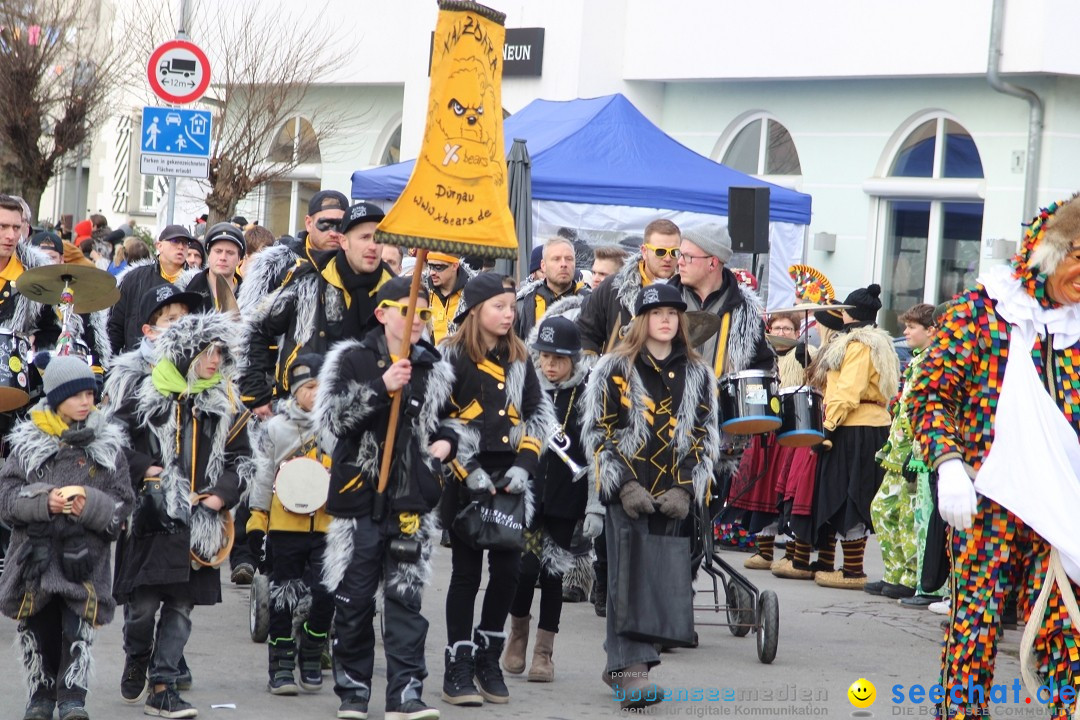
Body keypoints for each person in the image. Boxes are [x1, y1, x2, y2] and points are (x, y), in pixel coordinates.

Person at [907, 196, 1080, 718]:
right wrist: (948, 462)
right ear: (1048, 253)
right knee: (975, 625)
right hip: (990, 502)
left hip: (1058, 507)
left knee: (1063, 629)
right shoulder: (980, 314)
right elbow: (930, 395)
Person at [317, 277, 457, 720]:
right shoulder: (352, 359)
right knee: (354, 602)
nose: (417, 319)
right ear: (382, 313)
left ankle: (407, 694)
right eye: (408, 309)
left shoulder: (433, 366)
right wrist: (382, 386)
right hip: (358, 500)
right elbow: (334, 421)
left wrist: (446, 444)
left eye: (424, 312)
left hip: (410, 500)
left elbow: (450, 420)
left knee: (405, 604)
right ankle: (354, 692)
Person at [110, 313, 256, 719]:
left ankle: (164, 684)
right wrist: (147, 469)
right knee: (141, 605)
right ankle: (136, 654)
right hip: (152, 516)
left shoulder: (226, 399)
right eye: (210, 351)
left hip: (199, 523)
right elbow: (111, 443)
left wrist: (219, 497)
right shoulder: (146, 391)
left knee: (181, 606)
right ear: (187, 351)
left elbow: (243, 460)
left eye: (221, 352)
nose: (216, 360)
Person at [580, 282, 718, 710]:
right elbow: (598, 433)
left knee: (656, 580)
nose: (666, 319)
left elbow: (703, 434)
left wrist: (684, 486)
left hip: (671, 490)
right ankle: (632, 672)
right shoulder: (614, 367)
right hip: (626, 488)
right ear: (642, 319)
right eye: (657, 312)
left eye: (673, 313)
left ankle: (620, 668)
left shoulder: (698, 372)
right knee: (626, 580)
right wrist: (623, 485)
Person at [438, 273, 556, 707]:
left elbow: (538, 416)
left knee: (509, 572)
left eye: (512, 307)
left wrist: (525, 466)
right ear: (475, 310)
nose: (509, 314)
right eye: (499, 307)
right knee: (466, 574)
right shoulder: (449, 355)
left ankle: (489, 656)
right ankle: (459, 662)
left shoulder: (521, 357)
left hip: (511, 479)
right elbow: (435, 421)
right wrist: (465, 469)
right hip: (465, 477)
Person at [0, 357, 133, 720]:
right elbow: (7, 497)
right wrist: (43, 501)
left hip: (83, 560)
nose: (86, 401)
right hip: (34, 558)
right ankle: (40, 695)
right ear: (57, 398)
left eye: (91, 393)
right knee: (39, 630)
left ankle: (73, 696)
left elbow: (123, 503)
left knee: (78, 631)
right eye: (77, 395)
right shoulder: (28, 444)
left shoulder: (108, 447)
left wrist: (90, 506)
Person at [242, 202, 394, 419]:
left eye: (379, 239)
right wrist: (256, 392)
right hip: (304, 413)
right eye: (364, 237)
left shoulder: (394, 292)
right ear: (343, 241)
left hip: (372, 414)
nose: (373, 246)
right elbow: (257, 329)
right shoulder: (307, 279)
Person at [503, 315, 589, 683]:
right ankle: (517, 637)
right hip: (529, 495)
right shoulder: (527, 387)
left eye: (559, 358)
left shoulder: (587, 392)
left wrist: (595, 504)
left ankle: (544, 652)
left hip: (567, 499)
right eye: (545, 357)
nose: (550, 365)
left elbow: (595, 445)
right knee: (524, 571)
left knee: (554, 575)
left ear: (574, 359)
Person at [246, 354, 336, 697]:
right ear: (295, 391)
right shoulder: (276, 428)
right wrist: (258, 518)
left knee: (327, 595)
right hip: (286, 526)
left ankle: (312, 651)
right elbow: (264, 474)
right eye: (309, 387)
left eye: (322, 386)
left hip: (327, 526)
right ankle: (281, 663)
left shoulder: (338, 426)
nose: (315, 393)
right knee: (282, 596)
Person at [802, 284, 899, 590]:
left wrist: (828, 425)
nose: (839, 315)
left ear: (850, 314)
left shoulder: (858, 345)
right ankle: (842, 565)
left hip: (854, 426)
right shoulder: (877, 342)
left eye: (843, 311)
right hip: (867, 424)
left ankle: (853, 571)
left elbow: (848, 389)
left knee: (849, 494)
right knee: (847, 491)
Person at [729, 312, 815, 571]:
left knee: (787, 492)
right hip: (765, 428)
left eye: (787, 328)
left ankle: (790, 552)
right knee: (761, 489)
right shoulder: (761, 354)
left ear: (797, 331)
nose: (782, 332)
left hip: (791, 430)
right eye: (777, 327)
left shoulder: (805, 354)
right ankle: (764, 551)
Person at [866, 303, 939, 602]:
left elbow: (926, 413)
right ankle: (895, 574)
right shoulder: (918, 361)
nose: (905, 332)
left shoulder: (933, 363)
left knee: (909, 519)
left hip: (915, 454)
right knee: (882, 509)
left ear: (931, 331)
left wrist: (916, 450)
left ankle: (911, 578)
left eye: (912, 327)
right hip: (899, 452)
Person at [577, 219, 682, 356]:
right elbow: (585, 333)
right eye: (660, 252)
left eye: (674, 252)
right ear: (644, 251)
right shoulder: (613, 287)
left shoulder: (686, 292)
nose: (668, 258)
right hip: (619, 374)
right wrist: (598, 370)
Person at [237, 190, 350, 310]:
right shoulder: (274, 266)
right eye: (326, 224)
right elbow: (250, 319)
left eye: (340, 225)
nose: (333, 233)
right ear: (309, 223)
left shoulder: (354, 264)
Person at [107, 224, 195, 355]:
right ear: (159, 246)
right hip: (137, 360)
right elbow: (115, 325)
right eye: (175, 241)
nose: (181, 247)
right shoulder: (134, 278)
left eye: (186, 243)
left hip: (179, 361)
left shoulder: (195, 281)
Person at [514, 236, 590, 340]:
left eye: (569, 259)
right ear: (543, 265)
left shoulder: (590, 303)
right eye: (556, 259)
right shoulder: (522, 304)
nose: (563, 264)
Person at [185, 223, 244, 313]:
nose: (223, 257)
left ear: (239, 259)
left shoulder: (250, 298)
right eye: (218, 251)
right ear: (209, 255)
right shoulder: (188, 291)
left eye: (230, 253)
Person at [425, 252, 473, 345]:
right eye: (430, 266)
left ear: (454, 266)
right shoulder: (419, 292)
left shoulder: (473, 295)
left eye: (438, 267)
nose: (432, 272)